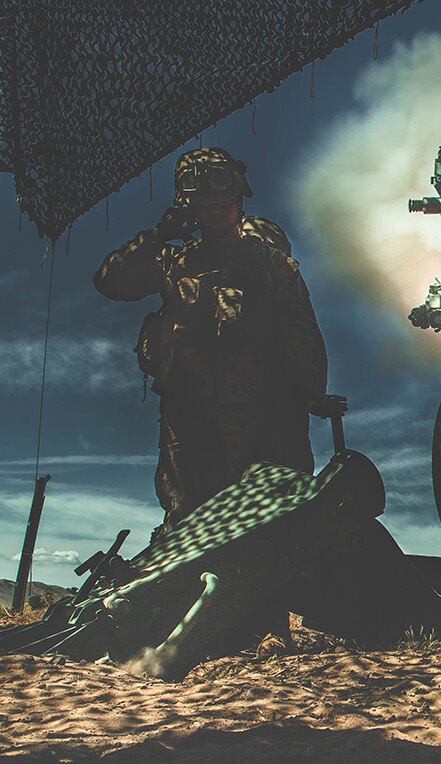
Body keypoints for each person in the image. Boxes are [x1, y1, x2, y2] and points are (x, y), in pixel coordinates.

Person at [95, 147, 331, 534]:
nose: (216, 213)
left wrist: (311, 392)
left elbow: (301, 329)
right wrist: (158, 236)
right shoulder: (174, 261)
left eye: (223, 205)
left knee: (276, 518)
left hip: (267, 412)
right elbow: (111, 282)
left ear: (239, 202)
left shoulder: (271, 263)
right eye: (205, 208)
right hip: (191, 415)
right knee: (189, 518)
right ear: (191, 210)